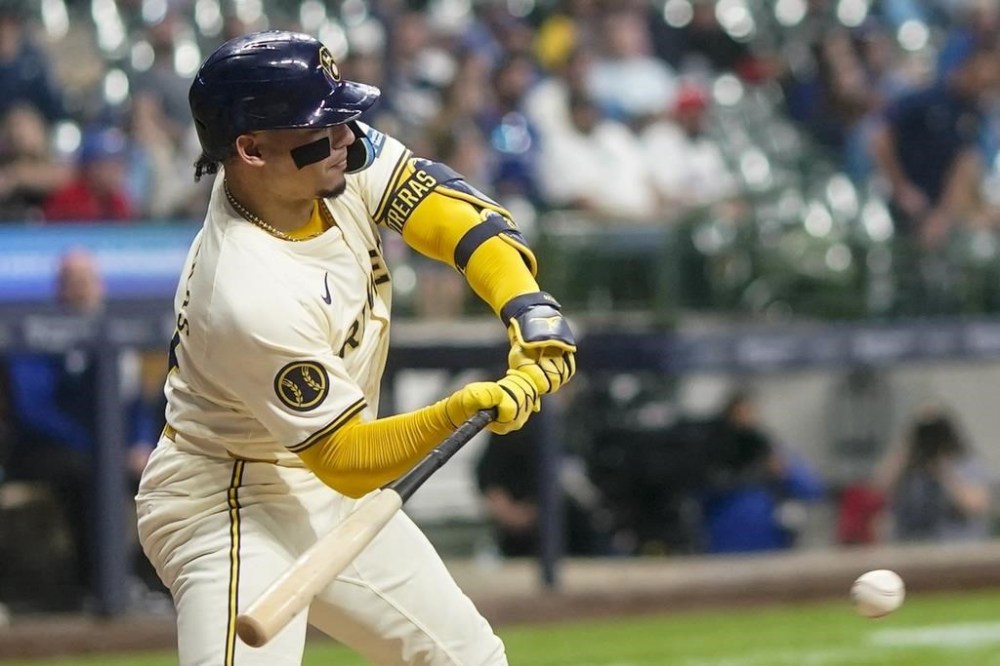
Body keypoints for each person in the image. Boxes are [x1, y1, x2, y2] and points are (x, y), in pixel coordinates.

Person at [134, 31, 577, 666]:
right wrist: (459, 411)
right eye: (320, 123)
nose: (346, 135)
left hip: (319, 488)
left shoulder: (329, 164)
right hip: (227, 498)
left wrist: (524, 305)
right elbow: (345, 457)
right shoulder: (245, 288)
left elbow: (454, 215)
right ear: (251, 149)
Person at [3, 249, 158, 609]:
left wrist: (139, 443)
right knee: (88, 472)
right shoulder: (37, 332)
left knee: (163, 472)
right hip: (44, 453)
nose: (81, 290)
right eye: (72, 282)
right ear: (58, 289)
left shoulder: (119, 336)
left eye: (87, 281)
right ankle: (98, 586)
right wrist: (103, 447)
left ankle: (149, 582)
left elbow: (135, 403)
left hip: (112, 450)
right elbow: (34, 411)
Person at [874, 407, 992, 543]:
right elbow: (878, 488)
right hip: (911, 549)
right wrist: (907, 445)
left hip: (955, 550)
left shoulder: (965, 463)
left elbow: (976, 505)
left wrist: (943, 471)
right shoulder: (907, 466)